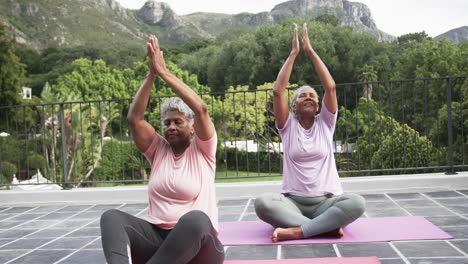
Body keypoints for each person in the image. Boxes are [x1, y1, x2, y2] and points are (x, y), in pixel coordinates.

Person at [100, 35, 224, 264]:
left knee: (195, 219)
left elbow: (202, 109)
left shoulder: (203, 149)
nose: (171, 127)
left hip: (200, 247)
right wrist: (151, 74)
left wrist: (165, 72)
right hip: (158, 242)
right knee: (111, 218)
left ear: (191, 127)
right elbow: (135, 119)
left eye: (178, 122)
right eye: (166, 123)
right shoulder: (158, 150)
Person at [254, 23, 366, 242]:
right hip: (292, 203)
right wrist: (293, 54)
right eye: (302, 95)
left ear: (318, 105)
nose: (307, 97)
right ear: (294, 105)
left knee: (357, 203)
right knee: (263, 203)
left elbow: (331, 87)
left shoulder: (326, 123)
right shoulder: (287, 126)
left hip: (327, 201)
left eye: (312, 95)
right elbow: (278, 92)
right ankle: (324, 228)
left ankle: (299, 230)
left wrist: (310, 51)